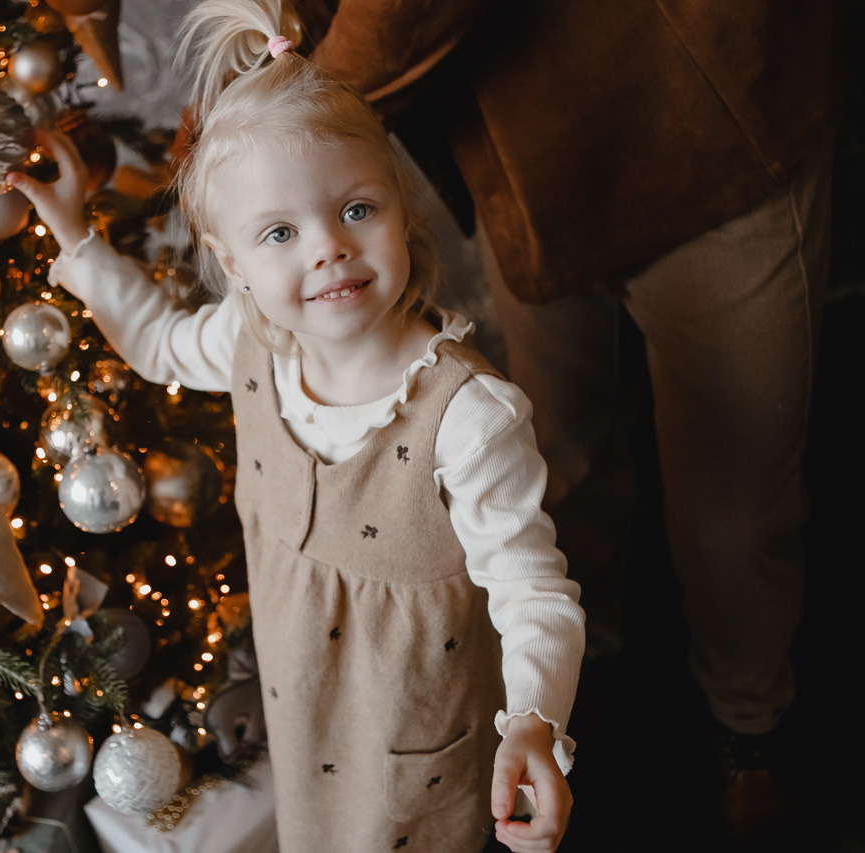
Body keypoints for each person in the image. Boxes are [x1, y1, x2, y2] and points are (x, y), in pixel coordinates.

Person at [9, 2, 585, 850]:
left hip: (420, 741)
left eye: (357, 209)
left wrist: (533, 721)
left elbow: (534, 590)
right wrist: (76, 237)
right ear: (234, 263)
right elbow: (161, 344)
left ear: (400, 206)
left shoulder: (466, 415)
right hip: (303, 704)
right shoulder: (253, 343)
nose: (328, 248)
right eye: (280, 232)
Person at [283, 0, 850, 845]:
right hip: (520, 164)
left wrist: (283, 113)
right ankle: (581, 695)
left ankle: (749, 719)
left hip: (697, 115)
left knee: (733, 503)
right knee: (560, 471)